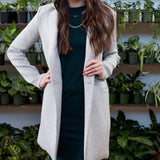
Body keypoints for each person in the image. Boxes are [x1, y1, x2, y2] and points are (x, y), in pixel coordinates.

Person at [7, 0, 120, 159]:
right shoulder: (46, 14)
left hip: (90, 107)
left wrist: (104, 67)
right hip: (59, 108)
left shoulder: (106, 14)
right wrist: (37, 78)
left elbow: (113, 54)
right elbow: (15, 50)